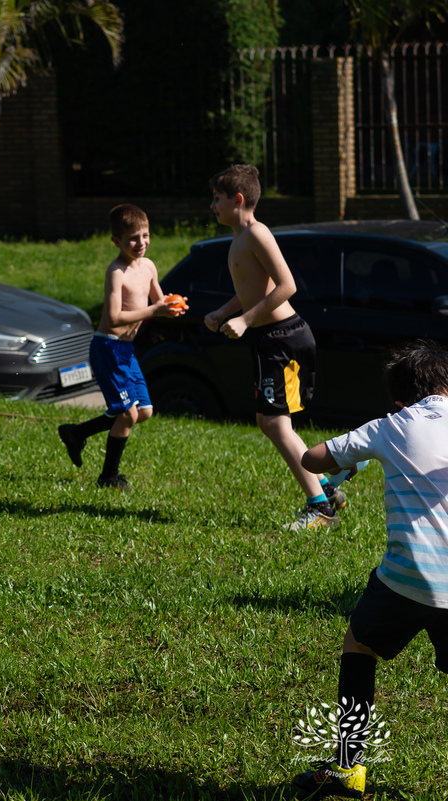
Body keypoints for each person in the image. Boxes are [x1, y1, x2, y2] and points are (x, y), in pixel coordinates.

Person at [291, 342, 448, 798]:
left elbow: (311, 459)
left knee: (359, 644)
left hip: (408, 577)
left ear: (401, 401)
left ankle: (348, 766)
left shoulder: (391, 425)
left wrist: (359, 453)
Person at [204, 164, 347, 530]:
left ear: (238, 200)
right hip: (270, 339)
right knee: (267, 423)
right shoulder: (239, 237)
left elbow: (287, 286)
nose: (212, 205)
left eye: (217, 198)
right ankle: (331, 479)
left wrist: (246, 320)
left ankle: (320, 507)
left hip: (285, 337)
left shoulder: (257, 233)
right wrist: (223, 312)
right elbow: (251, 289)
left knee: (275, 422)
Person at [58, 204, 177, 490]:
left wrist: (172, 306)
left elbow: (160, 300)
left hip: (126, 351)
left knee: (144, 411)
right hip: (108, 347)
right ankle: (108, 477)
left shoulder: (148, 266)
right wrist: (155, 311)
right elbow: (113, 319)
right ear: (116, 242)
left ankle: (75, 434)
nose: (141, 243)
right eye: (132, 239)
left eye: (145, 235)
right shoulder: (117, 272)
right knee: (127, 414)